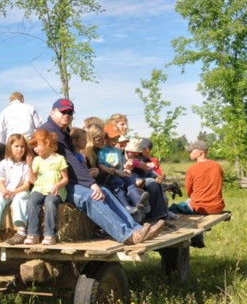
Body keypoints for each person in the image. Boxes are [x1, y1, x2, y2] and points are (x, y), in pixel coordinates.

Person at [39, 98, 165, 245]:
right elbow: (70, 161)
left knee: (104, 191)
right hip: (56, 184)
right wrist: (91, 184)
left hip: (69, 180)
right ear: (52, 112)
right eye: (63, 112)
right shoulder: (49, 131)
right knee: (92, 196)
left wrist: (91, 181)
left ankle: (136, 228)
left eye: (70, 112)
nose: (67, 115)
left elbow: (73, 162)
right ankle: (128, 235)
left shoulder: (63, 132)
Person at [0, 133, 31, 246]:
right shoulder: (4, 164)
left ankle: (21, 232)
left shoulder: (26, 165)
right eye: (17, 146)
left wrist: (15, 192)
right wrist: (3, 190)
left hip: (21, 191)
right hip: (7, 190)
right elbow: (1, 182)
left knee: (19, 201)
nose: (20, 149)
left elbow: (26, 185)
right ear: (10, 147)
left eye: (22, 146)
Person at [23, 129, 69, 246]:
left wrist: (58, 185)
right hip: (39, 188)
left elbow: (65, 179)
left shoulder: (59, 159)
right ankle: (33, 234)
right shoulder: (37, 160)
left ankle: (49, 234)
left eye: (37, 145)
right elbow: (33, 180)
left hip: (55, 190)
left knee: (50, 202)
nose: (35, 149)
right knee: (32, 201)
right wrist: (29, 166)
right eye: (33, 147)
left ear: (47, 142)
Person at [171, 140, 225, 215]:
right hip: (217, 207)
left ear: (199, 153)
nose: (189, 153)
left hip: (199, 208)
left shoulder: (192, 169)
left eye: (191, 151)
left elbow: (189, 192)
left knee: (172, 208)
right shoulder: (217, 166)